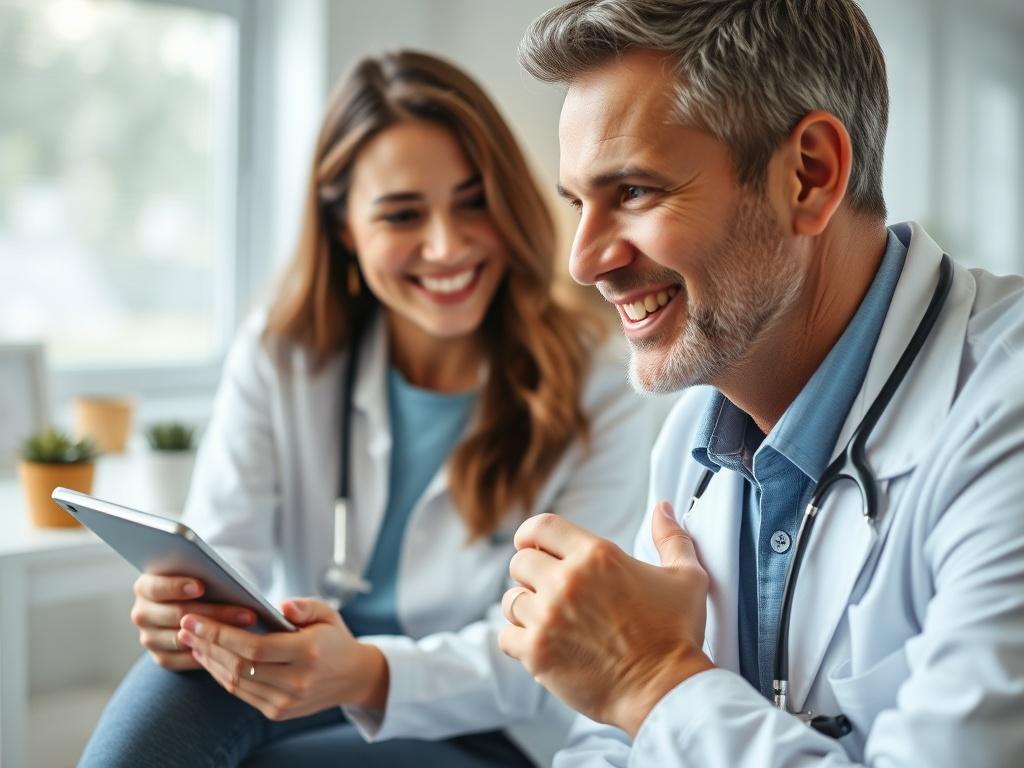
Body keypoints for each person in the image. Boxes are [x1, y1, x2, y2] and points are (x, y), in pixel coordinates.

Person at [79, 50, 653, 768]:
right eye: (403, 214)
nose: (446, 245)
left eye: (473, 201)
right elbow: (226, 553)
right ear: (345, 228)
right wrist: (186, 615)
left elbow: (559, 649)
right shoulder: (284, 355)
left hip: (487, 724)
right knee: (167, 703)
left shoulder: (603, 377)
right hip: (287, 678)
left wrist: (367, 673)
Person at [498, 1, 1024, 766]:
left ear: (809, 176)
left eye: (636, 193)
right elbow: (611, 749)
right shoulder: (699, 429)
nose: (584, 262)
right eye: (579, 204)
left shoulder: (1004, 415)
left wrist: (651, 678)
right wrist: (638, 695)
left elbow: (644, 707)